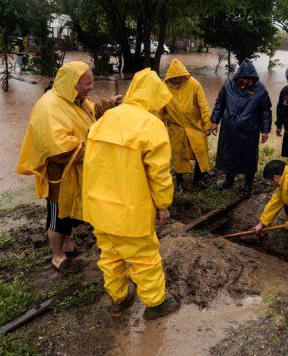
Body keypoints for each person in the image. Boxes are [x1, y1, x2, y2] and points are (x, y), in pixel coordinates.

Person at [82, 68, 180, 320]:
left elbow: (90, 163)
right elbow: (159, 174)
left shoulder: (104, 119)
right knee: (144, 257)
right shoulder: (152, 126)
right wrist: (163, 205)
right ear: (156, 97)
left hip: (98, 206)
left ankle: (119, 298)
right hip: (130, 209)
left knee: (110, 254)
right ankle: (156, 303)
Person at [16, 61, 121, 272]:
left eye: (91, 84)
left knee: (70, 211)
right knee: (57, 216)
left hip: (78, 169)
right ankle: (57, 255)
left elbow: (93, 112)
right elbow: (60, 148)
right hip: (60, 175)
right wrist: (98, 147)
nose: (90, 88)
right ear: (72, 83)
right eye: (86, 85)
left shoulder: (76, 100)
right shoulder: (49, 107)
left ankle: (66, 243)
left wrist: (110, 103)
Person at [209, 59, 272, 197]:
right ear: (238, 77)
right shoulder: (228, 85)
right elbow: (219, 103)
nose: (246, 82)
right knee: (229, 154)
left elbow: (265, 110)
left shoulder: (260, 89)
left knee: (249, 158)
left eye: (249, 79)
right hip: (229, 126)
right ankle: (229, 180)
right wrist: (214, 121)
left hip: (249, 129)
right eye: (244, 79)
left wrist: (265, 130)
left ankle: (248, 186)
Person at [162, 59, 213, 193]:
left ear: (184, 75)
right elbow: (160, 110)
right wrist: (159, 128)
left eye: (180, 78)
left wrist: (207, 125)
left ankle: (198, 179)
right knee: (179, 155)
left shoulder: (194, 84)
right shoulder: (163, 88)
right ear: (170, 78)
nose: (178, 80)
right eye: (175, 78)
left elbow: (203, 105)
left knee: (200, 152)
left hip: (194, 126)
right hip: (176, 128)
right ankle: (180, 182)